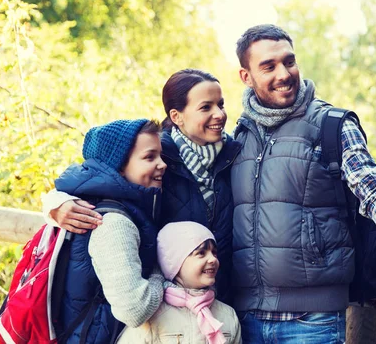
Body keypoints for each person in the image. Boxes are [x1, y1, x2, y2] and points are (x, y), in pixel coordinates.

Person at [229, 24, 376, 343]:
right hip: (245, 322)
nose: (284, 73)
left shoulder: (331, 125)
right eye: (268, 66)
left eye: (289, 61)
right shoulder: (238, 137)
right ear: (246, 76)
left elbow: (373, 190)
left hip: (312, 323)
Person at [42, 69, 241, 304]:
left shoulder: (235, 154)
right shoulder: (155, 155)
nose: (219, 114)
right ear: (177, 116)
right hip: (167, 303)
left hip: (224, 297)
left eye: (221, 104)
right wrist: (56, 204)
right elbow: (94, 177)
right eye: (206, 107)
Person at [51, 119, 166, 343]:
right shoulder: (113, 222)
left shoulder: (109, 203)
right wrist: (160, 273)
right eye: (150, 157)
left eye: (160, 156)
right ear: (120, 166)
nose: (163, 164)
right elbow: (134, 309)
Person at [116, 221, 242, 344]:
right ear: (176, 263)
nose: (213, 259)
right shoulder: (152, 319)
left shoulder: (228, 315)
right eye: (201, 253)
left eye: (214, 252)